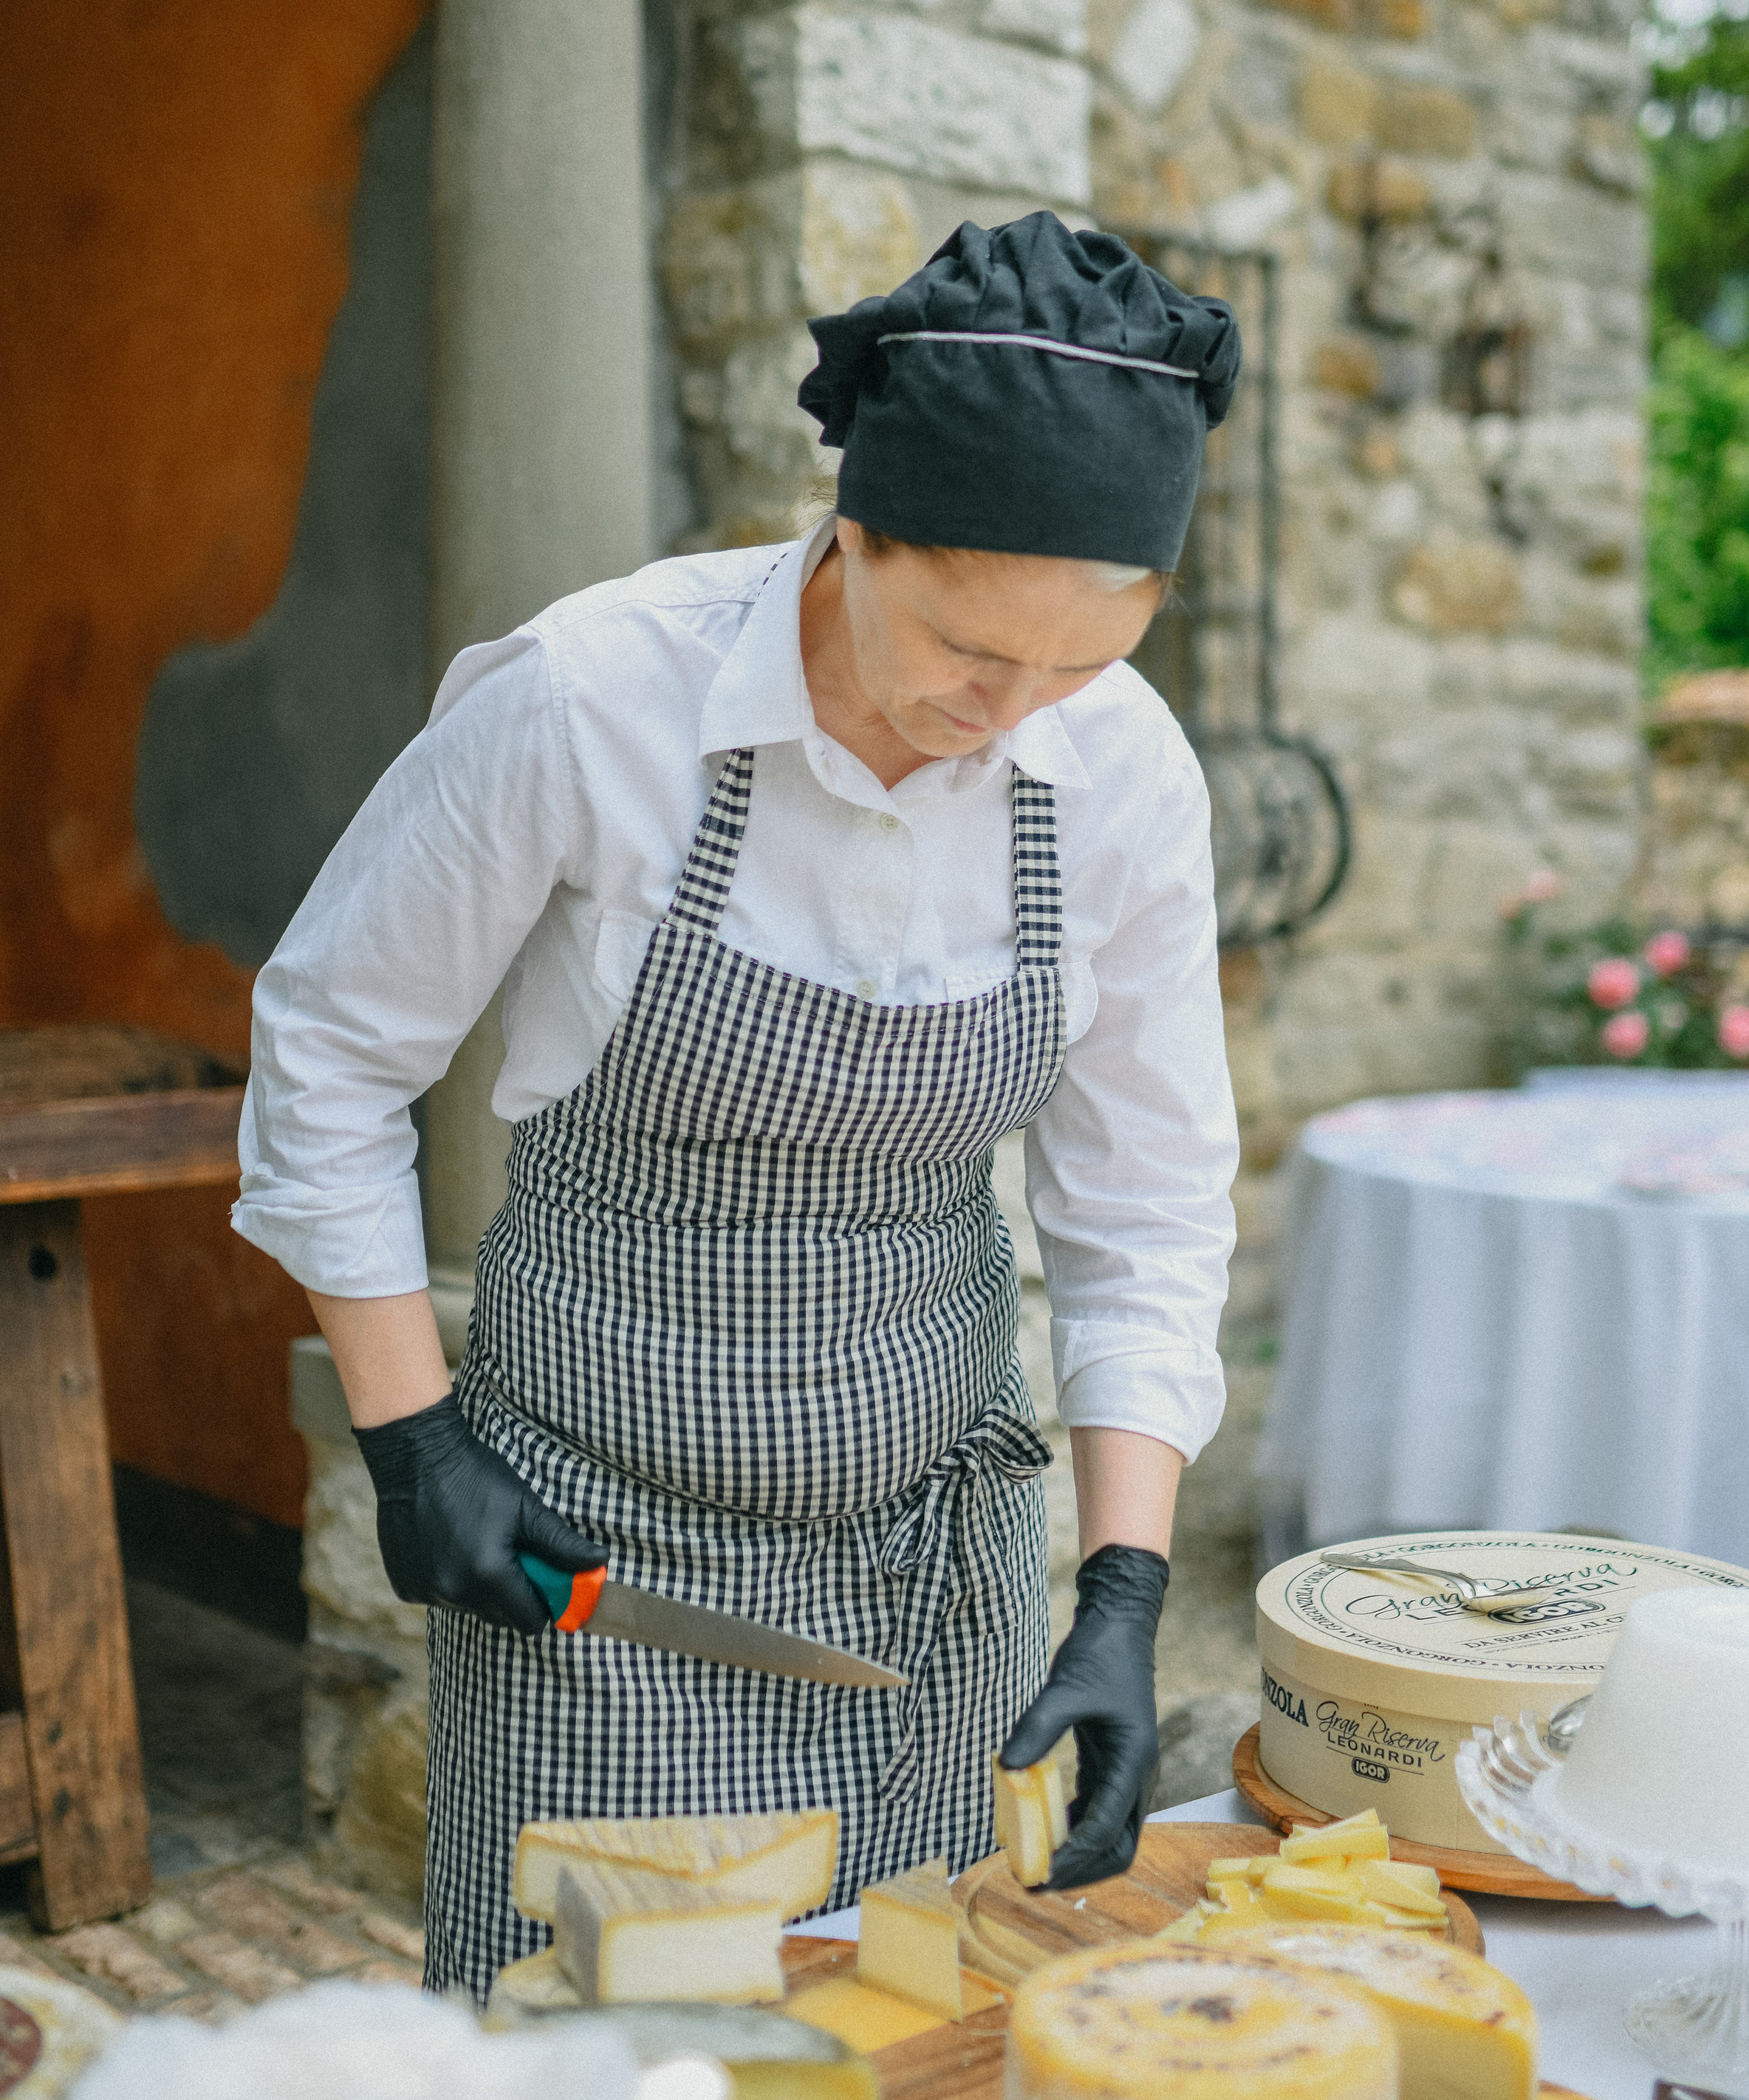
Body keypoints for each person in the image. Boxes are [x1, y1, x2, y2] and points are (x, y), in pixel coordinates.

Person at [236, 210, 1242, 1997]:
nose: (1004, 716)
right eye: (961, 650)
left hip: (932, 1586)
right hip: (597, 1579)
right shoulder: (592, 699)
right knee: (601, 2090)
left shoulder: (1117, 774)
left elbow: (1144, 1210)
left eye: (1074, 668)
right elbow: (328, 1053)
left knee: (886, 2090)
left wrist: (1118, 1593)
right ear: (848, 534)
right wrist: (414, 1439)